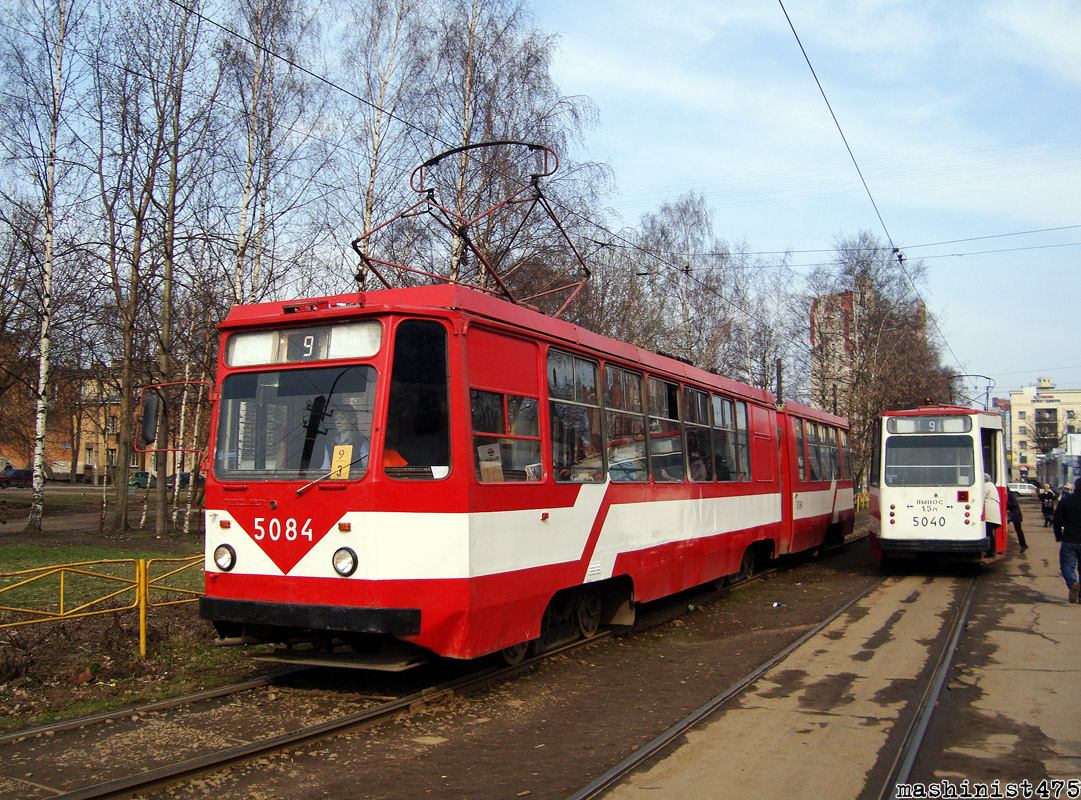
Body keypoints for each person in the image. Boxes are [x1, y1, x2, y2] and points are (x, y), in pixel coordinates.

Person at [1052, 477, 1081, 604]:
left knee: (1067, 566)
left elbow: (1057, 520)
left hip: (1070, 538)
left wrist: (1058, 535)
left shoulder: (1066, 501)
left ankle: (1072, 582)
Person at [322, 406, 369, 473]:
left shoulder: (362, 443)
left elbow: (367, 468)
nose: (338, 422)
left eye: (342, 418)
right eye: (336, 419)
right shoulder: (330, 445)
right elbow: (325, 469)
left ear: (352, 420)